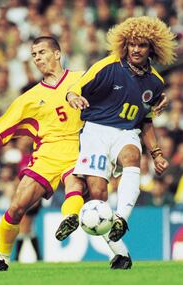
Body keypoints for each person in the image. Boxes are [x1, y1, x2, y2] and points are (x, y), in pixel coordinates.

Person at [0, 36, 132, 271]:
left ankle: (74, 221)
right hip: (46, 156)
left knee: (75, 187)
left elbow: (117, 88)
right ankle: (1, 258)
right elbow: (3, 127)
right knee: (17, 206)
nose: (37, 58)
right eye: (34, 55)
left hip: (79, 150)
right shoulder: (29, 97)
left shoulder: (81, 78)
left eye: (41, 52)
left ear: (57, 54)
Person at [63, 16, 176, 242]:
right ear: (124, 44)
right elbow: (77, 86)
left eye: (142, 45)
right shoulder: (108, 66)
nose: (135, 49)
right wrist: (72, 96)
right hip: (95, 130)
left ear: (152, 48)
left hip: (126, 132)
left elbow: (146, 120)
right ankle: (117, 251)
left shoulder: (155, 82)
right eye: (132, 44)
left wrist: (157, 154)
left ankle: (122, 219)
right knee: (97, 193)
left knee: (132, 156)